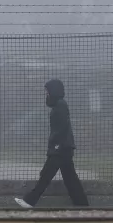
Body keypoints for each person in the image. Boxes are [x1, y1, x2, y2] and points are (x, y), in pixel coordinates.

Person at [14, 79, 89, 208]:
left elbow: (61, 129)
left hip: (60, 149)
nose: (46, 95)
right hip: (63, 148)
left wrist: (55, 145)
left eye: (47, 92)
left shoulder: (60, 105)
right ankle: (82, 205)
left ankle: (29, 201)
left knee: (46, 176)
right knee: (70, 179)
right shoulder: (60, 105)